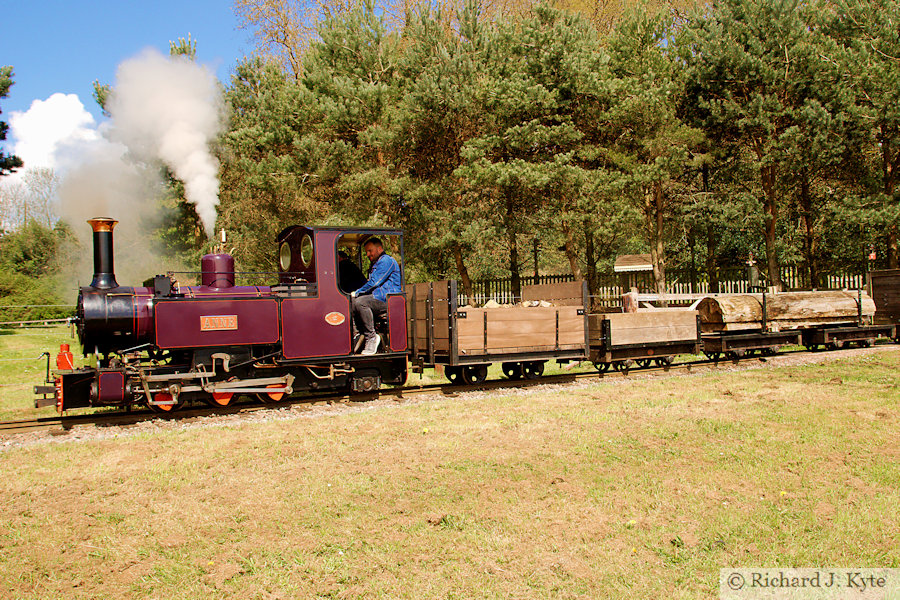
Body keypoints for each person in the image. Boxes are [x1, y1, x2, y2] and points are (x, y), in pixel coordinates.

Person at [351, 237, 401, 355]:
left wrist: (357, 292)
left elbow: (375, 282)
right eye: (366, 252)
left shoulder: (386, 261)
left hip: (387, 299)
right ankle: (357, 335)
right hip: (378, 297)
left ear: (379, 249)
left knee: (360, 302)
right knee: (352, 303)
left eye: (370, 251)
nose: (368, 254)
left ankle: (371, 337)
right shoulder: (376, 263)